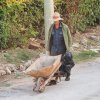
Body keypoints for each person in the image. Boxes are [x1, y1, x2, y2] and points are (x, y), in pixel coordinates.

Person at [46, 12, 74, 83]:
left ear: (59, 20)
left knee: (65, 63)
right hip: (54, 48)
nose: (55, 21)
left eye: (56, 20)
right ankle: (54, 78)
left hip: (62, 48)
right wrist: (48, 49)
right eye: (54, 20)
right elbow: (49, 38)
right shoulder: (51, 27)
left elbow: (69, 38)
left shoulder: (65, 27)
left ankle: (67, 74)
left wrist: (69, 48)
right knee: (53, 64)